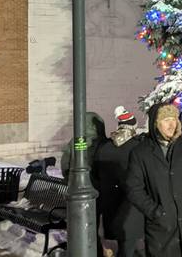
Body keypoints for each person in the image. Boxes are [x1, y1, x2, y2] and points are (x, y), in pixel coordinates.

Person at [126, 103, 182, 257]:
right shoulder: (141, 153)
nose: (172, 124)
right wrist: (155, 212)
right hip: (160, 231)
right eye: (166, 120)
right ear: (155, 124)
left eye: (174, 119)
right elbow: (133, 189)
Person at [92, 106, 145, 257]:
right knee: (128, 242)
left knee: (123, 240)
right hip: (130, 204)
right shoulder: (138, 147)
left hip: (110, 202)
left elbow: (96, 173)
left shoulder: (105, 146)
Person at [61, 112, 107, 257]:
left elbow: (65, 165)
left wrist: (70, 180)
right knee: (93, 223)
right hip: (98, 191)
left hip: (76, 190)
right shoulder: (103, 143)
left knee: (81, 224)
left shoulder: (74, 142)